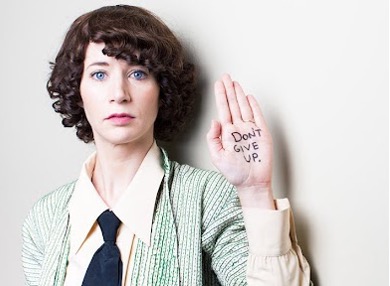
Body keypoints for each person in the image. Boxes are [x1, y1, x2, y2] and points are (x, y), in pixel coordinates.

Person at [22, 4, 312, 286]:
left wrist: (255, 191)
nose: (119, 93)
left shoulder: (206, 199)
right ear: (78, 89)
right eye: (100, 74)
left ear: (162, 89)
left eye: (138, 73)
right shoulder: (45, 219)